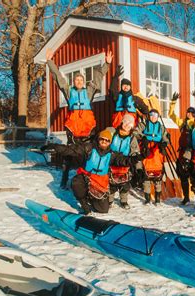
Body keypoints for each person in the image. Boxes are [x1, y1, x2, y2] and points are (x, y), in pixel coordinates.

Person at [46, 49, 113, 189]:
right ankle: (64, 181)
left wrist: (106, 64)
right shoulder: (69, 92)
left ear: (83, 82)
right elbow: (58, 77)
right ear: (74, 81)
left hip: (88, 130)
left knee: (87, 156)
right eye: (77, 79)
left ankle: (87, 180)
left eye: (81, 79)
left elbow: (98, 78)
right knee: (68, 156)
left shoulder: (88, 92)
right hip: (73, 130)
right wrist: (50, 62)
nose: (79, 81)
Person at [41, 129, 135, 214]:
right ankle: (85, 205)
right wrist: (54, 146)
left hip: (99, 181)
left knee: (103, 210)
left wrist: (137, 158)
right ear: (98, 139)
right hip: (86, 177)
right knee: (76, 182)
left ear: (110, 142)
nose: (104, 142)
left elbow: (123, 160)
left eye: (107, 140)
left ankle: (91, 198)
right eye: (102, 139)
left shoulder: (112, 154)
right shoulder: (88, 148)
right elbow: (70, 150)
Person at [168, 90, 195, 205]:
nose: (189, 114)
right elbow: (171, 115)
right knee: (183, 176)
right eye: (188, 112)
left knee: (194, 177)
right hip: (182, 153)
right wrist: (173, 102)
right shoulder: (182, 123)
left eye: (191, 112)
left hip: (193, 153)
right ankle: (186, 197)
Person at [134, 108, 169, 205]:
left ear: (158, 117)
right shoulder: (143, 124)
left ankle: (157, 199)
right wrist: (143, 137)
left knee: (157, 174)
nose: (153, 117)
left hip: (157, 151)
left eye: (155, 115)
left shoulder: (161, 127)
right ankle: (147, 199)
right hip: (146, 150)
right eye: (151, 115)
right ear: (149, 116)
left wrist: (164, 144)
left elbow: (166, 137)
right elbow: (135, 132)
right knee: (147, 176)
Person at [109, 114, 143, 209]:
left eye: (130, 124)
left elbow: (135, 153)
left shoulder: (132, 138)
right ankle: (110, 200)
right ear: (122, 122)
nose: (127, 125)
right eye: (126, 122)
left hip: (125, 164)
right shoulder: (113, 133)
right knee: (111, 184)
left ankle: (123, 201)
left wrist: (139, 168)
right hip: (111, 163)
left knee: (125, 184)